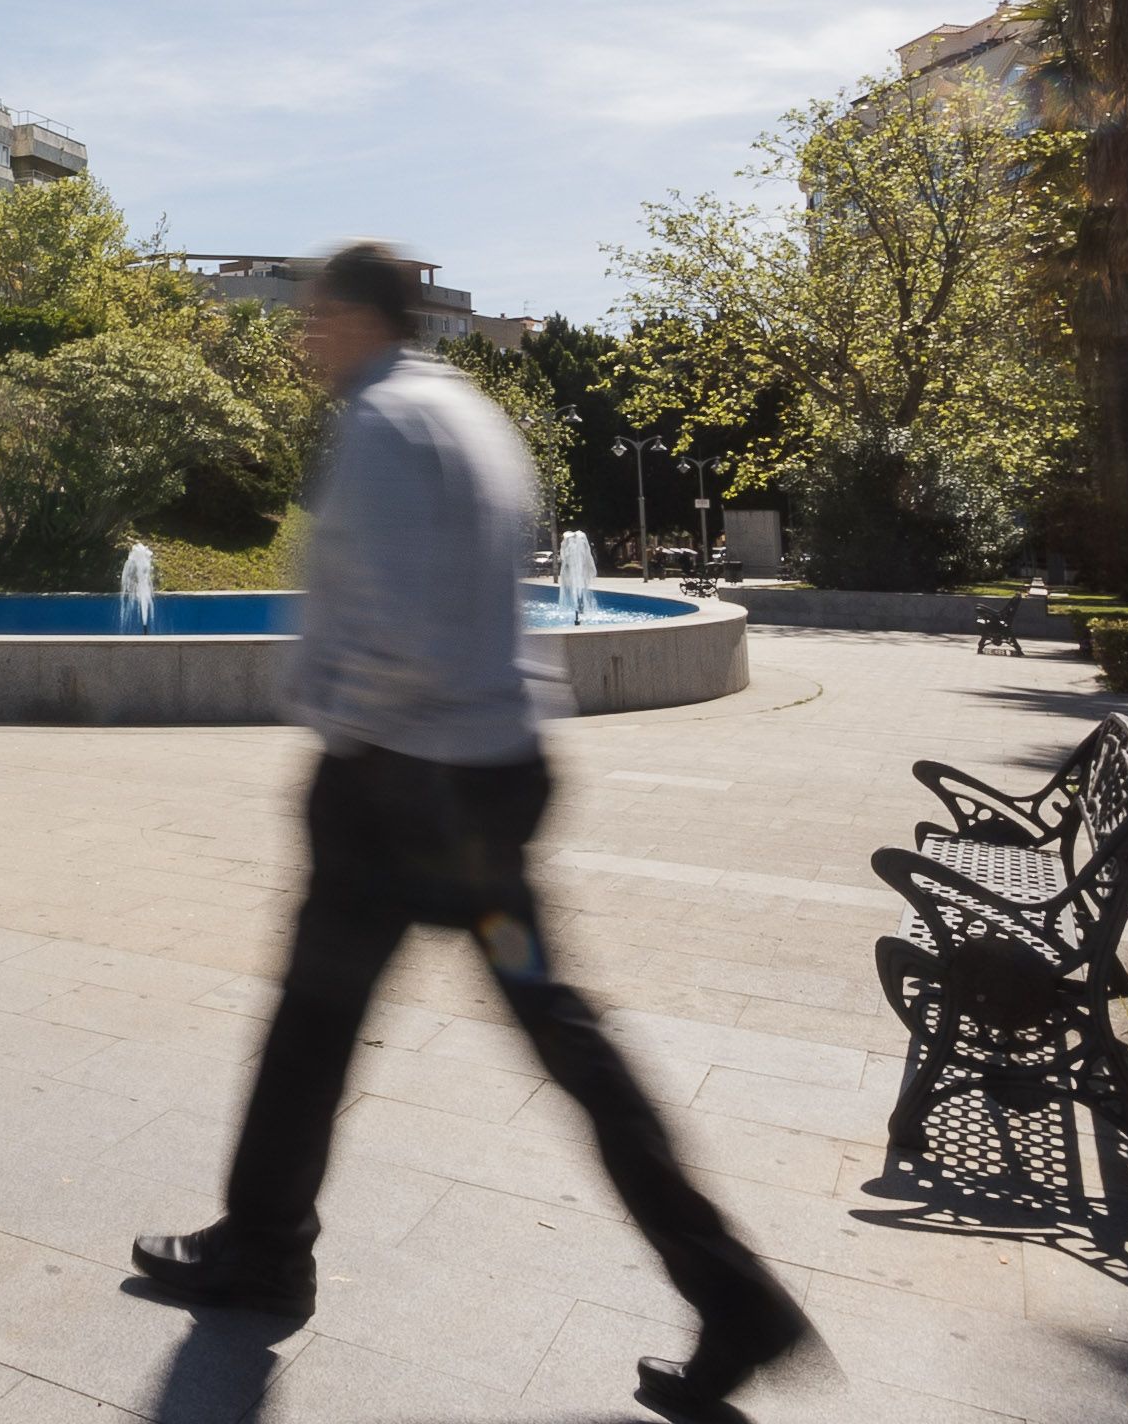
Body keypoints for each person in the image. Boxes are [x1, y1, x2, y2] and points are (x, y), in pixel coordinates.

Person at [130, 244, 811, 1420]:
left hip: (407, 791)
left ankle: (267, 1243)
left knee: (322, 1019)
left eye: (314, 318)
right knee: (537, 1032)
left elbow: (390, 617)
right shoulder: (472, 415)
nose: (302, 338)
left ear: (356, 318)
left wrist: (338, 729)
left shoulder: (387, 425)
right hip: (490, 775)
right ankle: (730, 1294)